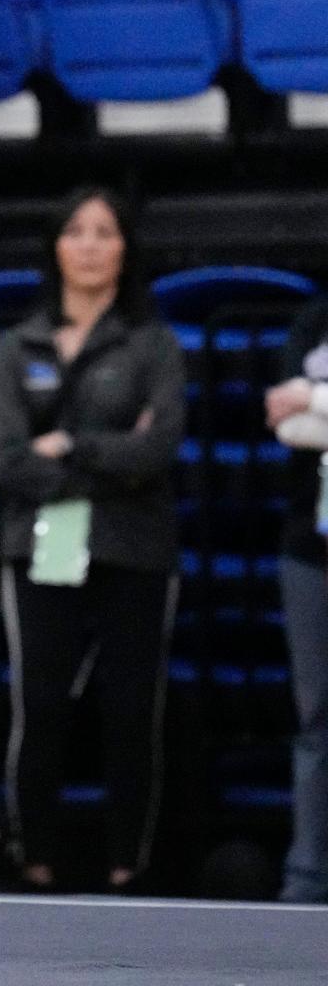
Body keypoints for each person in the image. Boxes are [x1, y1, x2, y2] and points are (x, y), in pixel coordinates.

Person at [0, 187, 186, 892]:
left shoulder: (153, 345)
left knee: (132, 714)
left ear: (126, 248)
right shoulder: (16, 348)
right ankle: (32, 862)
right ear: (55, 247)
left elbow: (157, 449)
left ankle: (132, 866)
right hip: (40, 546)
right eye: (77, 231)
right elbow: (7, 460)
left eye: (106, 231)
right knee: (39, 709)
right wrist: (106, 458)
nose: (92, 245)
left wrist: (68, 445)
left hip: (133, 546)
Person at [264, 298, 328, 904]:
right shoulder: (312, 322)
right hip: (311, 547)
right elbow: (283, 424)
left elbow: (300, 410)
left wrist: (313, 399)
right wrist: (302, 410)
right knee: (314, 721)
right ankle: (307, 876)